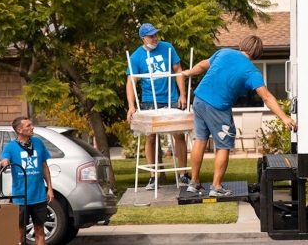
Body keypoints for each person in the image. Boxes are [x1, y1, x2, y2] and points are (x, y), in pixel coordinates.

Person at [181, 35, 297, 197]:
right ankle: (216, 187)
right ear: (257, 54)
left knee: (200, 140)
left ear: (242, 44)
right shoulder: (251, 72)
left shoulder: (223, 53)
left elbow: (201, 65)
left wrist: (187, 73)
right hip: (218, 107)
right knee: (223, 146)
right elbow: (267, 97)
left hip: (199, 100)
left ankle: (194, 183)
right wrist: (284, 118)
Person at [126, 23, 190, 190]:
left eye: (156, 35)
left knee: (178, 134)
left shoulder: (167, 48)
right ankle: (153, 176)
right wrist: (131, 106)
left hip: (171, 98)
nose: (155, 38)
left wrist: (182, 94)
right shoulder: (136, 56)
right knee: (151, 137)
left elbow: (178, 70)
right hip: (149, 100)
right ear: (143, 38)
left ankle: (183, 175)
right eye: (151, 36)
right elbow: (131, 81)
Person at [0, 116, 54, 245]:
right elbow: (3, 160)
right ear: (19, 130)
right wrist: (5, 161)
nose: (32, 127)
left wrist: (50, 188)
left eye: (31, 125)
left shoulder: (38, 143)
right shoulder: (11, 147)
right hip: (21, 196)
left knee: (40, 230)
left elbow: (45, 166)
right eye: (28, 126)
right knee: (20, 231)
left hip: (39, 195)